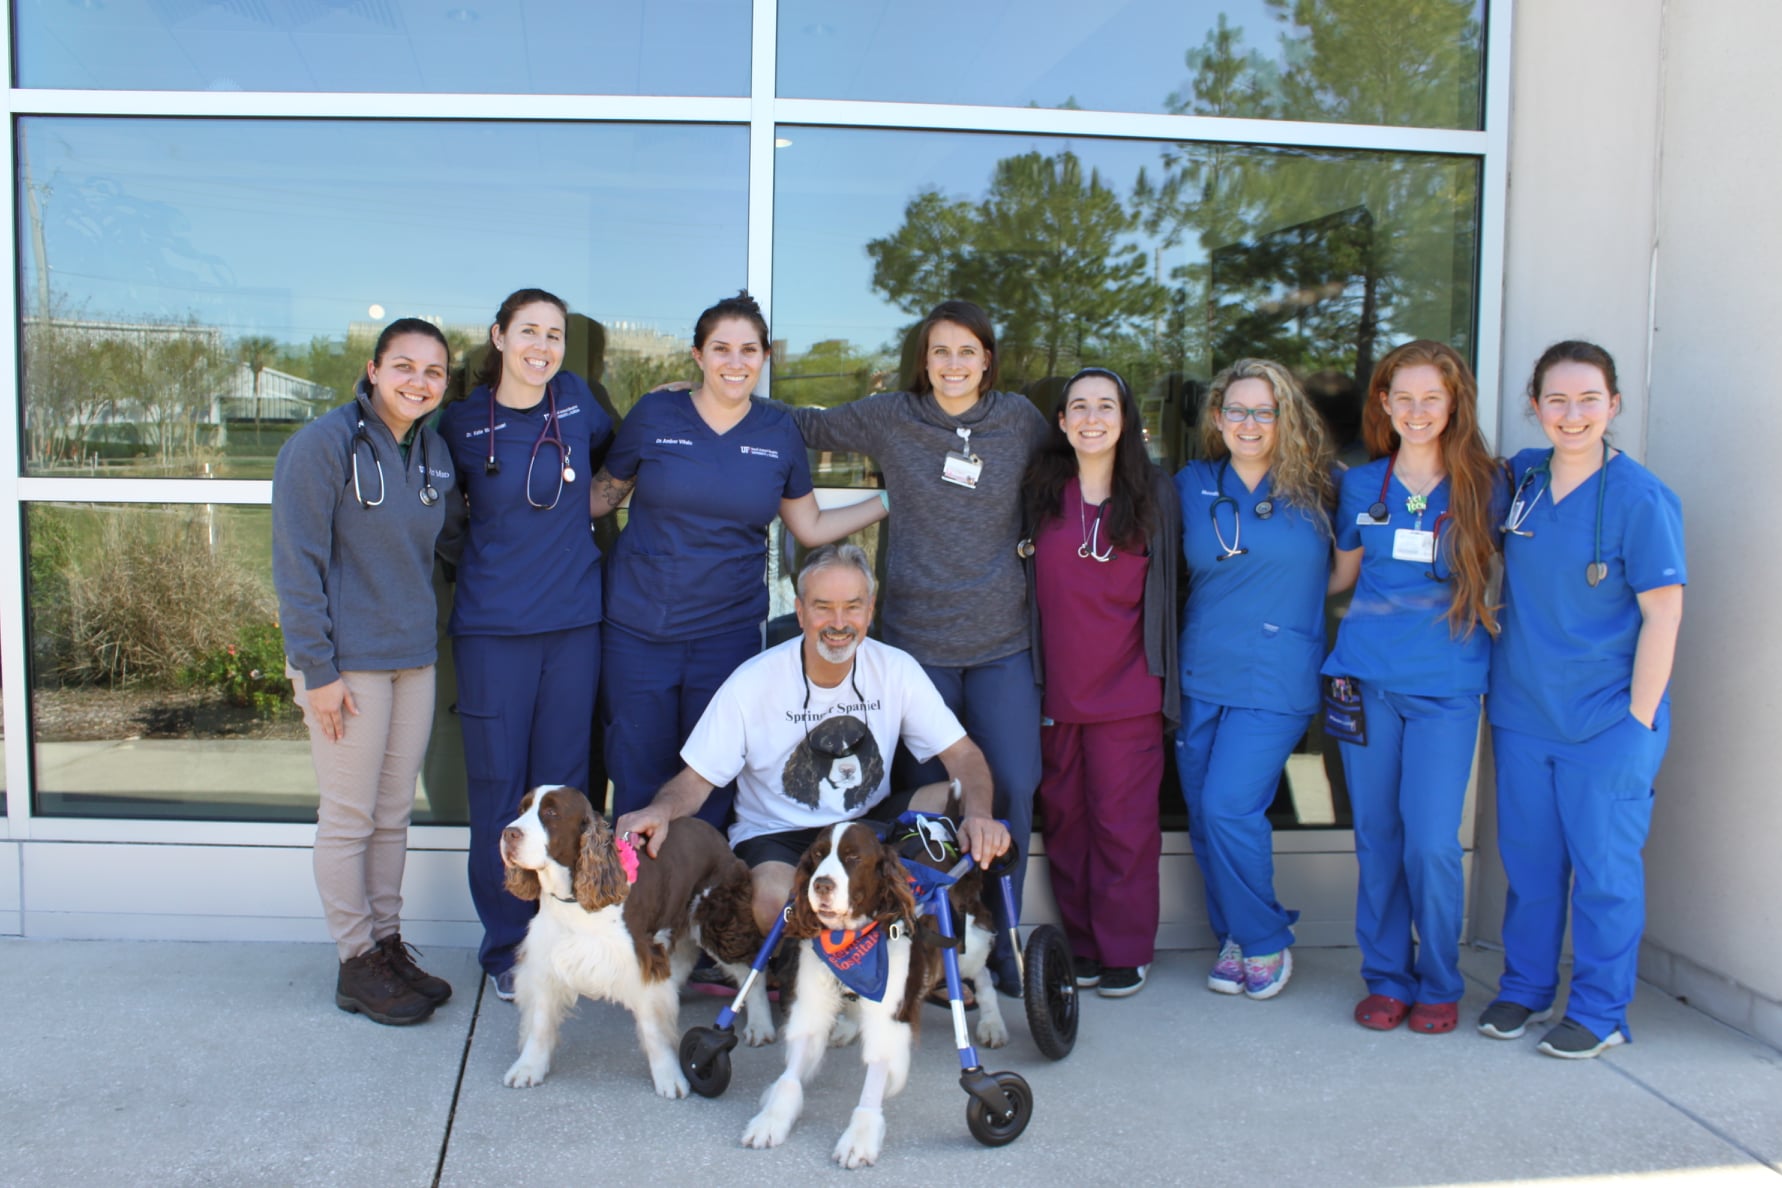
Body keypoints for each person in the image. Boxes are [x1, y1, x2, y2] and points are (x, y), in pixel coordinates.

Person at [786, 300, 1049, 992]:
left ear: (987, 358)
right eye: (940, 351)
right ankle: (920, 939)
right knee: (923, 803)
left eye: (968, 351)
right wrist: (705, 398)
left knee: (1012, 786)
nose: (954, 364)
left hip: (1000, 642)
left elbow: (1071, 471)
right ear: (923, 359)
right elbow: (803, 425)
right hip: (917, 647)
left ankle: (996, 939)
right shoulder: (891, 416)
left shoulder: (1019, 420)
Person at [590, 292, 887, 829]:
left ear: (765, 358)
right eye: (720, 348)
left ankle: (704, 906)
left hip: (725, 636)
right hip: (638, 630)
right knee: (636, 775)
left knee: (714, 779)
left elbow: (811, 526)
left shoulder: (778, 432)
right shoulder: (656, 413)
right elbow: (601, 497)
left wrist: (890, 500)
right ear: (698, 355)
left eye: (748, 350)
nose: (735, 362)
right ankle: (637, 905)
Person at [616, 544, 1008, 939]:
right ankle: (837, 973)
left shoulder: (895, 668)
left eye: (852, 606)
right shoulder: (753, 682)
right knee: (774, 902)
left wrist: (979, 814)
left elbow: (962, 754)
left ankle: (924, 958)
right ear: (800, 612)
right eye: (823, 607)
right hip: (778, 834)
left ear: (870, 611)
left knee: (962, 800)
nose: (839, 622)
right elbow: (697, 780)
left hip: (865, 825)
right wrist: (661, 811)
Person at [1478, 341, 1685, 1059]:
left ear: (1614, 405)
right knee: (1531, 867)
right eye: (1556, 400)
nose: (1572, 414)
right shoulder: (1522, 480)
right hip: (1524, 713)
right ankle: (1525, 988)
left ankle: (1600, 1011)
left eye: (1588, 399)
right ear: (1535, 406)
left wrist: (1637, 720)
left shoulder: (1641, 499)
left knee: (1604, 875)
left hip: (1607, 720)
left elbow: (1663, 612)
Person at [273, 318, 459, 1025]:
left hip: (414, 659)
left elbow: (448, 544)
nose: (419, 381)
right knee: (349, 818)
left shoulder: (434, 452)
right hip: (346, 665)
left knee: (390, 816)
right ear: (374, 369)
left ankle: (387, 945)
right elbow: (297, 566)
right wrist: (315, 668)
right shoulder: (322, 446)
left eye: (434, 372)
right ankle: (355, 960)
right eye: (404, 366)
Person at [1324, 341, 1505, 1034]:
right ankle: (1387, 977)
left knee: (1430, 840)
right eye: (1404, 397)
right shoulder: (1361, 485)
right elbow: (1339, 578)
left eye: (1432, 397)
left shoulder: (1488, 486)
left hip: (1446, 687)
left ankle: (1439, 980)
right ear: (1384, 405)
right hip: (1365, 682)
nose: (1418, 410)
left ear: (1454, 403)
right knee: (1377, 835)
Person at [438, 288, 613, 1002]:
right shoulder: (457, 425)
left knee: (565, 792)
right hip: (494, 632)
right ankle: (508, 948)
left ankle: (566, 933)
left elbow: (616, 456)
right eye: (529, 332)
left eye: (554, 334)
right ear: (499, 337)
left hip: (574, 627)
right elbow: (445, 524)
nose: (542, 346)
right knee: (498, 793)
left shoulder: (575, 399)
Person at [1174, 358, 1335, 1001]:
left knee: (1229, 805)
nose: (1249, 422)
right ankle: (1235, 935)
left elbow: (1354, 564)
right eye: (1236, 410)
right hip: (1202, 670)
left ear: (1283, 417)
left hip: (1276, 675)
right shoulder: (1191, 483)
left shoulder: (1323, 488)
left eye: (1263, 411)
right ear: (1217, 418)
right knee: (1205, 816)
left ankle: (1265, 937)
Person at [1020, 367, 1179, 999]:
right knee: (1066, 824)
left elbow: (1176, 591)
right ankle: (1082, 946)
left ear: (1127, 419)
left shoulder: (1155, 496)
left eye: (1105, 406)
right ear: (1061, 421)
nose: (1092, 417)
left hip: (1130, 692)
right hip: (1056, 690)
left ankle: (1125, 948)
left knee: (1123, 826)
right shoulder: (1038, 492)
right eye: (1078, 407)